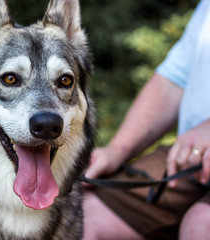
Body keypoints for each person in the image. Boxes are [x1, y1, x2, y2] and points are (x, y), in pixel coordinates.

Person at [82, 0, 210, 239]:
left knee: (200, 224)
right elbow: (174, 80)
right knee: (82, 217)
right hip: (188, 156)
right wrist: (116, 150)